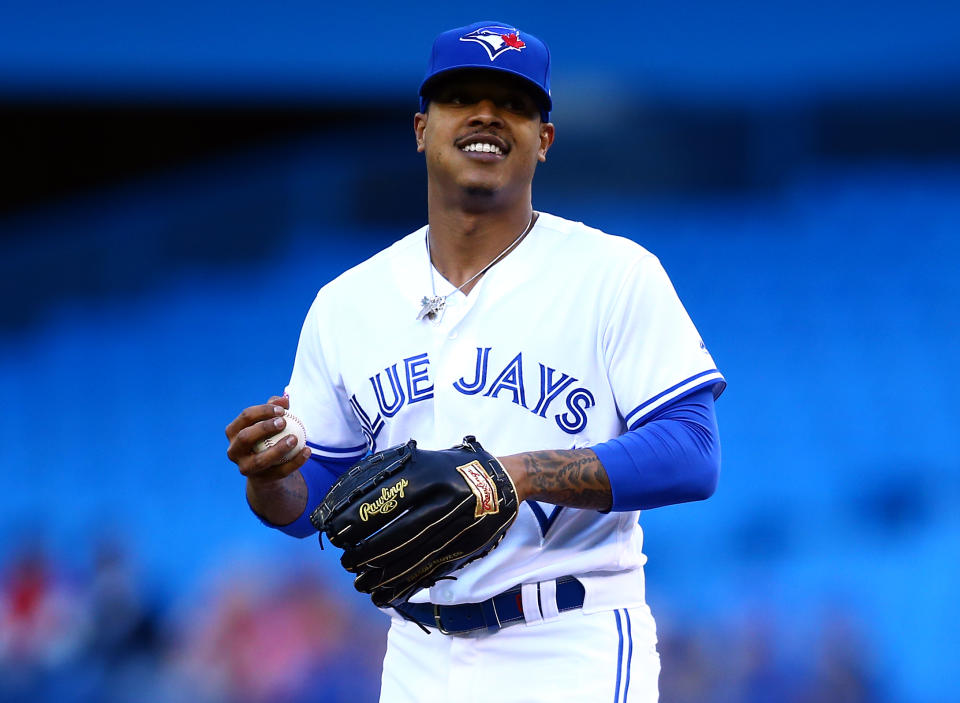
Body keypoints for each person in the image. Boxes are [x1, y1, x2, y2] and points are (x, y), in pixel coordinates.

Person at [225, 20, 725, 703]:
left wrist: (511, 475)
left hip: (569, 639)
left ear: (543, 140)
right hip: (417, 653)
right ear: (422, 128)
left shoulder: (614, 274)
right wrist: (270, 481)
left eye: (514, 103)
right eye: (461, 97)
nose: (486, 114)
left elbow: (692, 451)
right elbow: (310, 500)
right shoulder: (347, 304)